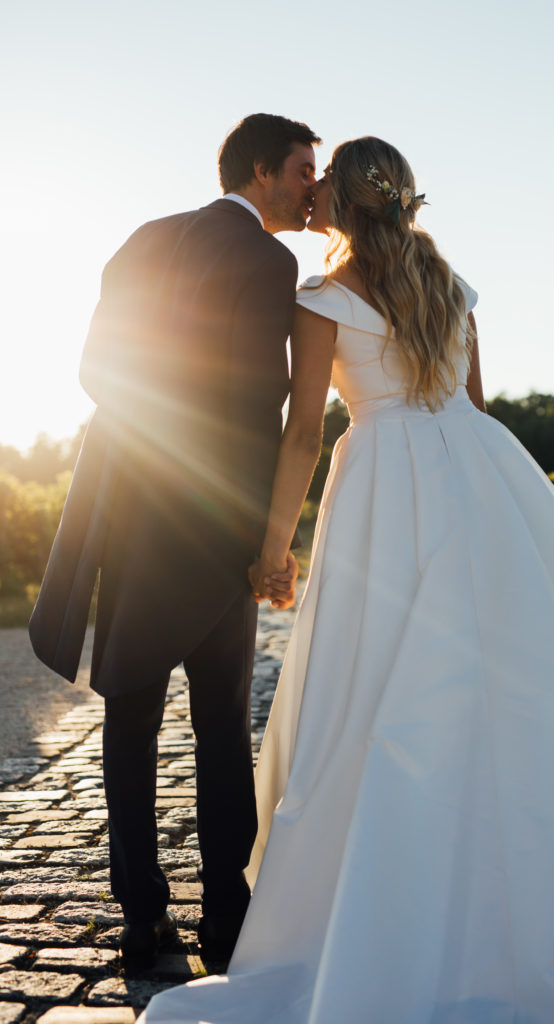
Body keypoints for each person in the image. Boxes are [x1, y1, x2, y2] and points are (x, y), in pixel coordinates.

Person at [143, 137, 554, 1022]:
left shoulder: (322, 297)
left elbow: (304, 435)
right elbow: (472, 407)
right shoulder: (448, 287)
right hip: (479, 477)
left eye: (322, 188)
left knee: (372, 687)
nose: (307, 195)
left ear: (344, 205)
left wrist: (274, 548)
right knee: (505, 683)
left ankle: (386, 908)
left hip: (386, 488)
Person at [28, 113, 321, 969]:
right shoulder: (269, 261)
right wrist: (266, 535)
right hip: (216, 527)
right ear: (263, 172)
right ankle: (225, 915)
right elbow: (258, 401)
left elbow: (94, 371)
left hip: (131, 520)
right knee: (221, 726)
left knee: (129, 719)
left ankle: (140, 918)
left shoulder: (142, 241)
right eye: (305, 168)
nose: (313, 184)